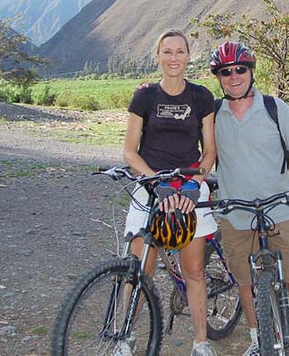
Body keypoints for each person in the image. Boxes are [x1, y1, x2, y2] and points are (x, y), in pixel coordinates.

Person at [209, 41, 289, 356]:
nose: (234, 76)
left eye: (240, 69)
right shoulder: (214, 116)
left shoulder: (275, 108)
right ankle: (258, 341)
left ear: (251, 71)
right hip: (236, 214)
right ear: (218, 77)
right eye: (225, 71)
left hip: (279, 210)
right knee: (245, 285)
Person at [121, 29, 218, 356]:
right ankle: (126, 337)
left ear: (188, 56)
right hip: (151, 189)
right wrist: (156, 183)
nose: (174, 57)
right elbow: (130, 152)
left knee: (193, 272)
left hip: (191, 188)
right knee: (139, 272)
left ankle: (201, 343)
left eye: (180, 51)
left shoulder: (202, 97)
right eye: (167, 52)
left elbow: (210, 152)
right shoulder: (145, 97)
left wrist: (194, 185)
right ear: (158, 56)